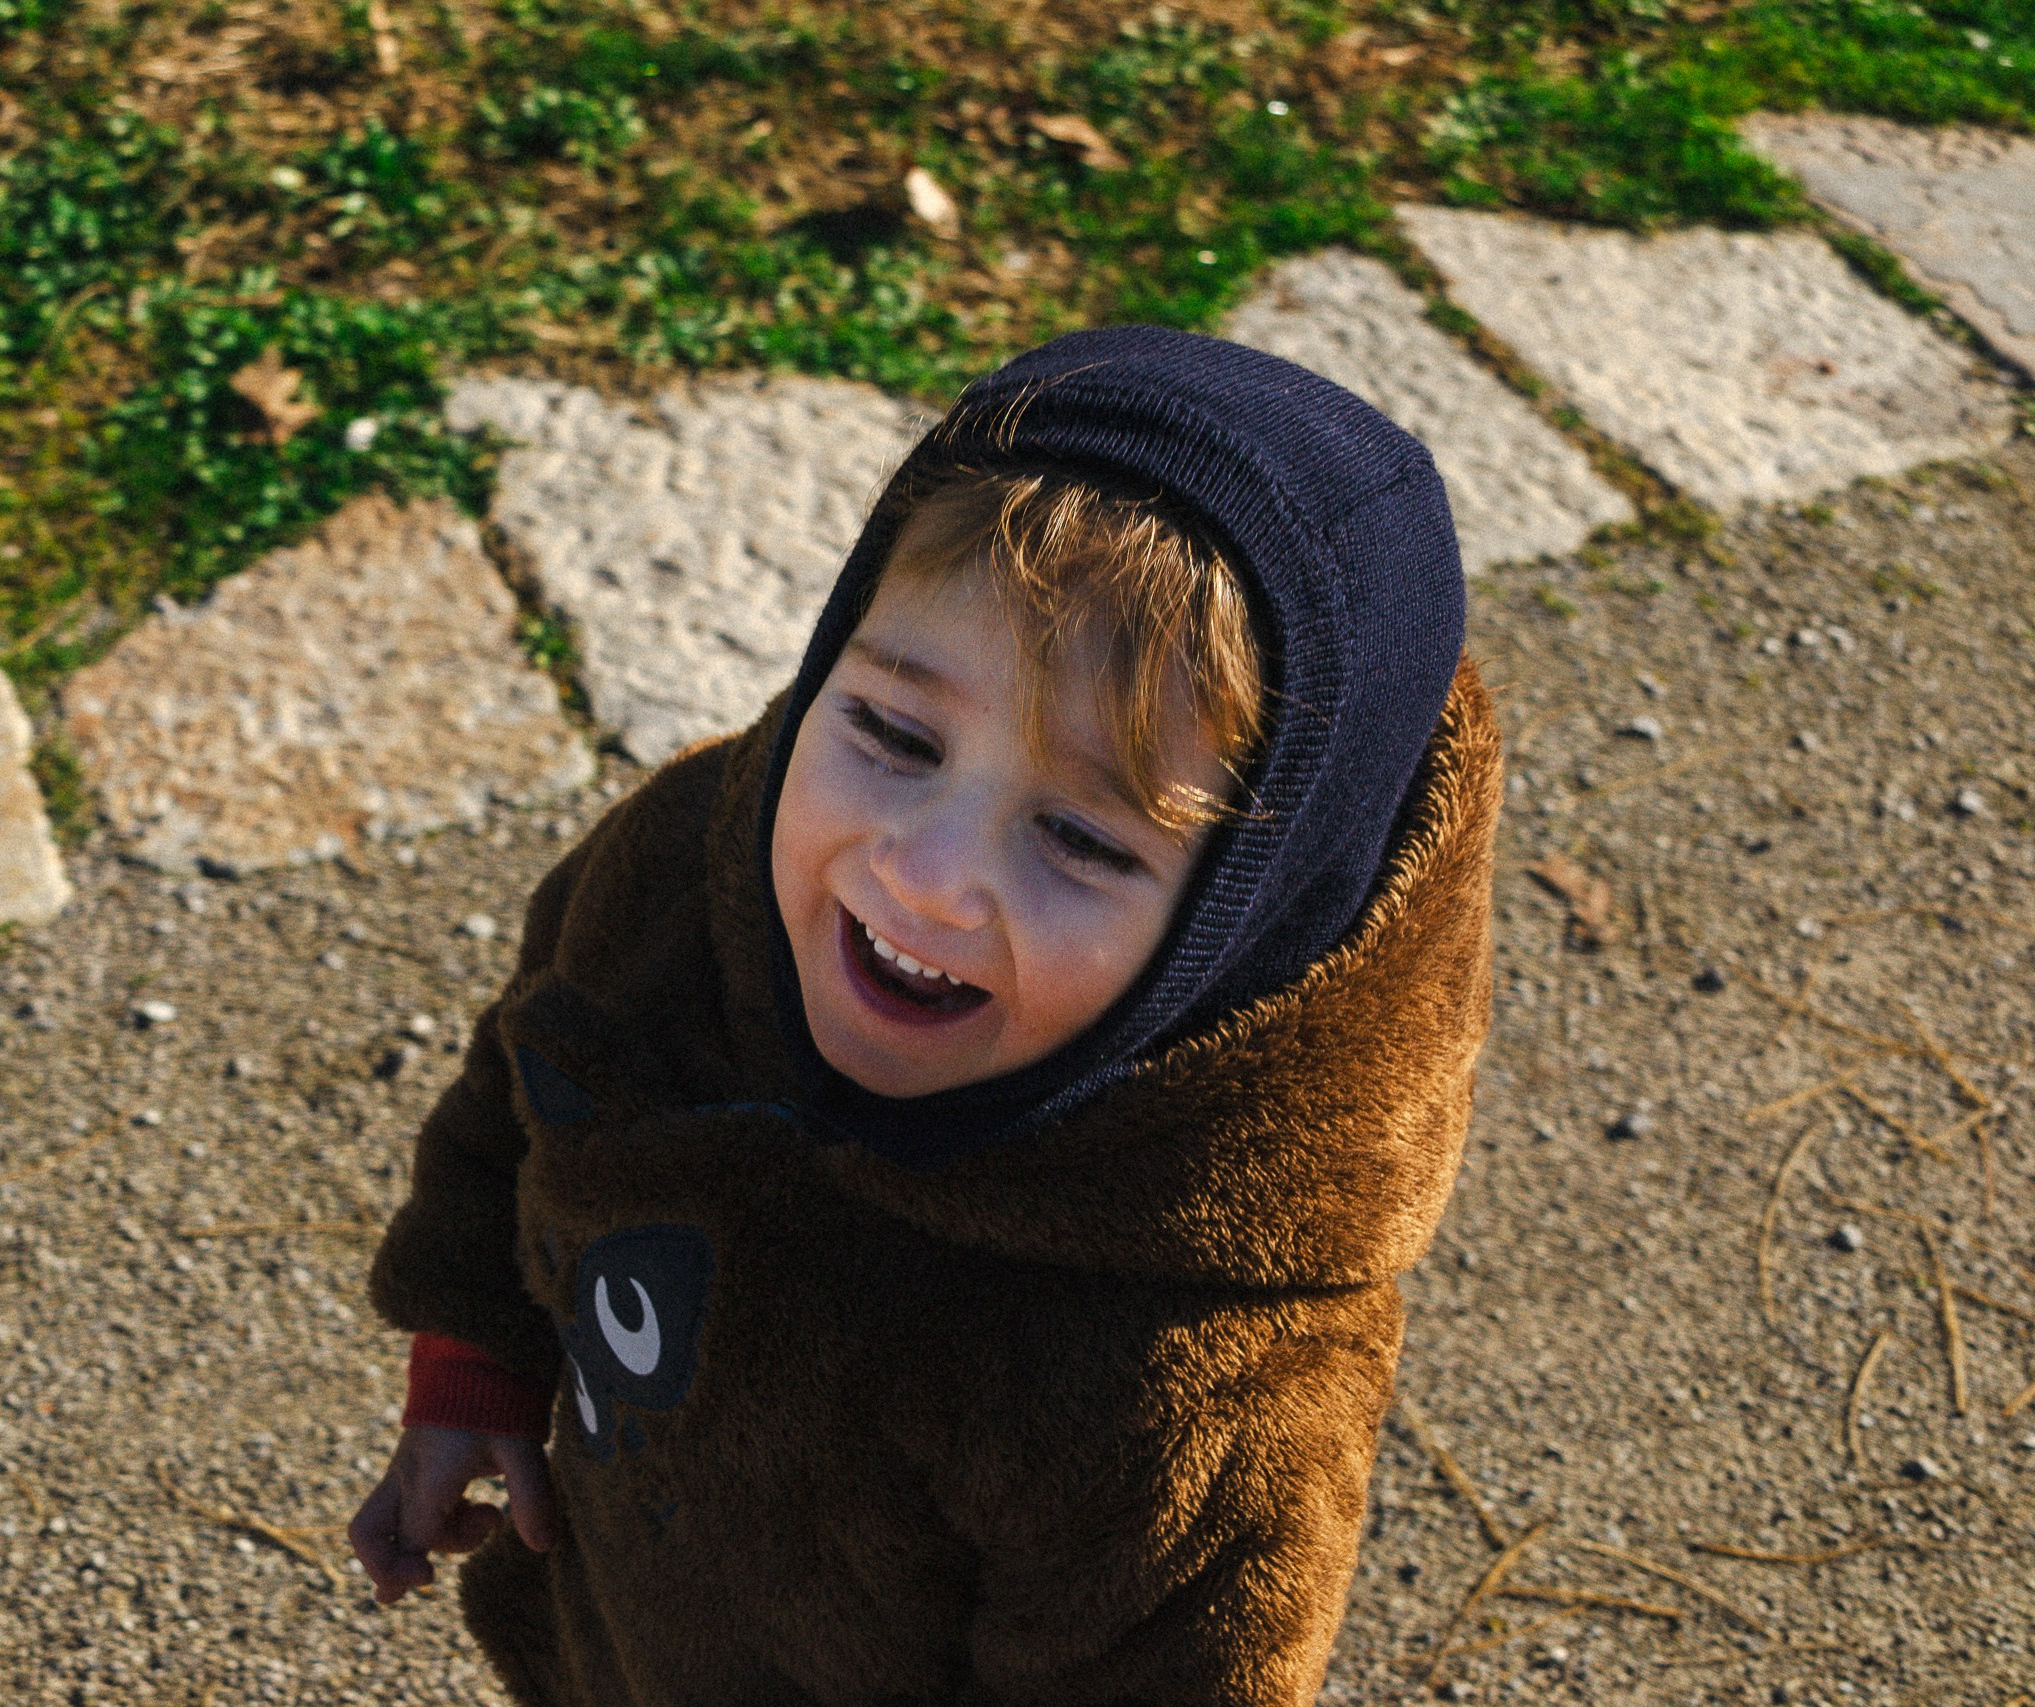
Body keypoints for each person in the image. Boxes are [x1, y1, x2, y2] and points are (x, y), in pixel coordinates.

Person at [352, 325, 1500, 1705]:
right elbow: (527, 1081)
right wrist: (475, 1356)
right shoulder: (675, 880)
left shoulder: (1189, 1398)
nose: (928, 876)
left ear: (1246, 928)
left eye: (1083, 838)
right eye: (895, 737)